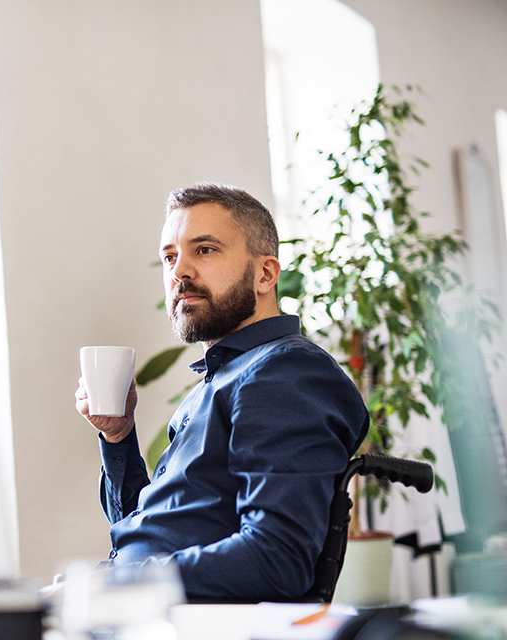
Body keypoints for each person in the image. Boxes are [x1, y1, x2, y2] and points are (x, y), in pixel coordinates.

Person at [75, 182, 369, 602]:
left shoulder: (285, 373)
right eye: (170, 257)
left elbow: (277, 559)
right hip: (144, 614)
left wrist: (126, 581)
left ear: (265, 274)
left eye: (205, 250)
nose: (180, 272)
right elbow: (148, 528)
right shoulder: (223, 379)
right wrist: (118, 436)